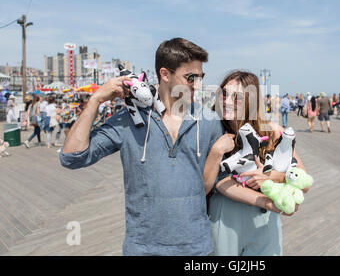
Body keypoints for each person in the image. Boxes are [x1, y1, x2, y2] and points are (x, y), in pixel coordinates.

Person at [60, 37, 223, 256]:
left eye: (201, 77)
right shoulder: (128, 119)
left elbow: (228, 177)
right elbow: (72, 157)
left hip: (197, 249)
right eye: (190, 77)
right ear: (165, 74)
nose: (198, 84)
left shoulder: (210, 121)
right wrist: (96, 100)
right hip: (143, 249)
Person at [204, 71, 310, 256]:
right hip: (225, 217)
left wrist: (272, 176)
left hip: (264, 222)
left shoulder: (273, 133)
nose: (227, 101)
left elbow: (303, 179)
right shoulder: (214, 132)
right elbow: (218, 181)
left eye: (237, 97)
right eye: (224, 94)